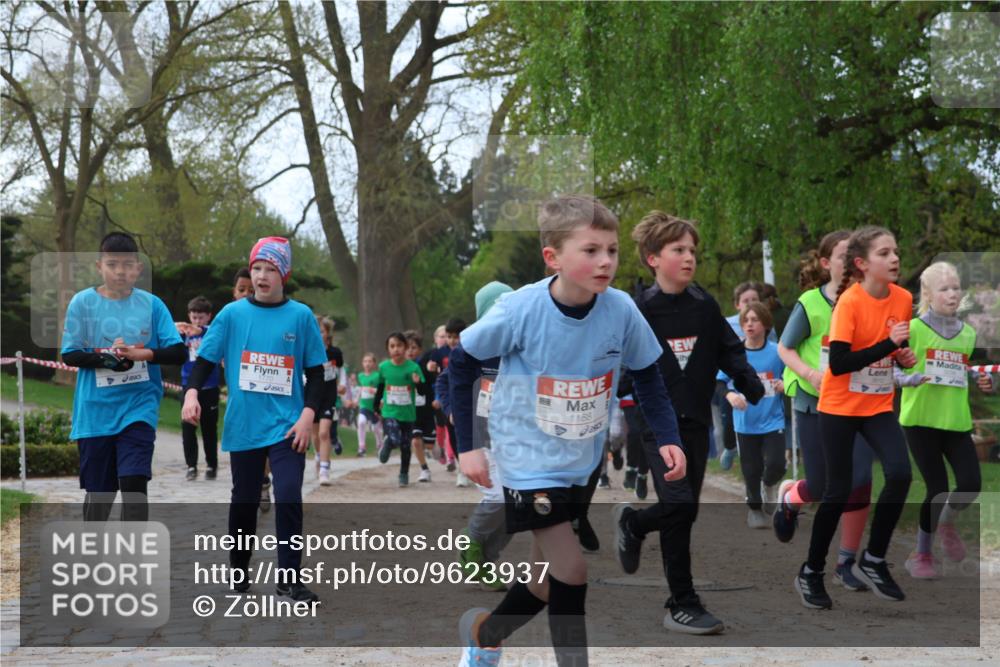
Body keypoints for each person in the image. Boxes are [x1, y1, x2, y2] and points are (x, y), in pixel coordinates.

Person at [452, 195, 683, 666]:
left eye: (612, 251)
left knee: (544, 577)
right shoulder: (519, 310)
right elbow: (461, 366)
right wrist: (468, 447)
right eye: (591, 250)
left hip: (579, 462)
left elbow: (648, 377)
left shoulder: (620, 310)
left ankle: (484, 634)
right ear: (553, 258)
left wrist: (668, 438)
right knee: (573, 569)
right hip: (524, 461)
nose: (605, 262)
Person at [614, 210, 764, 635]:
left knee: (686, 510)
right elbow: (620, 359)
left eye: (692, 250)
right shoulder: (637, 309)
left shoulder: (704, 306)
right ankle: (682, 602)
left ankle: (635, 523)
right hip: (658, 426)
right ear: (652, 258)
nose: (688, 257)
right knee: (679, 505)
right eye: (678, 250)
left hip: (696, 421)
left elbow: (728, 350)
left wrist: (748, 381)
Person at [182, 236, 326, 603]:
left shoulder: (301, 316)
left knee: (290, 493)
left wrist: (308, 416)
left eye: (270, 269)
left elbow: (318, 374)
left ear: (284, 274)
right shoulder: (232, 315)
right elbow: (204, 361)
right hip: (245, 423)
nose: (262, 276)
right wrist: (192, 392)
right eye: (257, 268)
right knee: (244, 499)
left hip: (288, 424)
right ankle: (240, 571)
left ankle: (289, 579)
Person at [791, 226, 916, 610]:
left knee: (899, 474)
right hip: (839, 408)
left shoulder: (904, 297)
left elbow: (897, 345)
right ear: (862, 264)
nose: (894, 258)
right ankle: (811, 571)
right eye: (884, 253)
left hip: (877, 406)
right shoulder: (848, 303)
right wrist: (889, 345)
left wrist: (902, 355)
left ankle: (874, 559)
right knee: (837, 491)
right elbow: (841, 363)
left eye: (895, 250)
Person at [773, 230, 874, 591]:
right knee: (822, 485)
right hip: (813, 403)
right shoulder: (810, 303)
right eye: (844, 255)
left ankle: (846, 562)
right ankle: (791, 496)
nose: (851, 262)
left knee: (860, 478)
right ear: (826, 263)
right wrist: (810, 373)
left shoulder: (868, 301)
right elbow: (785, 349)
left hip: (859, 403)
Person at [62, 232, 186, 521]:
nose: (120, 271)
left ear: (138, 269)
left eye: (127, 265)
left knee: (134, 488)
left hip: (138, 410)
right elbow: (70, 354)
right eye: (112, 264)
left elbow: (178, 352)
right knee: (99, 499)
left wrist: (145, 354)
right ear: (99, 266)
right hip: (95, 415)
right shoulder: (83, 303)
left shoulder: (153, 305)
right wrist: (109, 359)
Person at [897, 261, 991, 578]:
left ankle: (946, 521)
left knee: (970, 485)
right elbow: (890, 368)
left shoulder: (968, 334)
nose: (952, 294)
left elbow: (966, 371)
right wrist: (906, 379)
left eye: (956, 288)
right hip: (920, 421)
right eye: (944, 288)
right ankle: (921, 554)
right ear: (928, 293)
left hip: (955, 422)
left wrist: (983, 380)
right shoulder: (913, 329)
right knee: (936, 487)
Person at [449, 281, 514, 592]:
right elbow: (449, 383)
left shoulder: (521, 345)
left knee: (520, 504)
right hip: (481, 435)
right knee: (499, 495)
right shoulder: (474, 348)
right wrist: (451, 409)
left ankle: (487, 559)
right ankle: (471, 539)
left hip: (515, 436)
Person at [719, 302, 787, 529]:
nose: (749, 324)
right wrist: (730, 396)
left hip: (773, 419)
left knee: (777, 463)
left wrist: (785, 384)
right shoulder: (735, 354)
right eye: (745, 320)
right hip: (745, 422)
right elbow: (719, 382)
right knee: (751, 470)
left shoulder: (777, 352)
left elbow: (792, 375)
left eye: (754, 320)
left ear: (766, 324)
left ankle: (769, 485)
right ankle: (755, 510)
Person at [373, 332, 424, 487]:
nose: (396, 349)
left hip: (407, 414)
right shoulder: (384, 367)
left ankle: (404, 474)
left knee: (405, 446)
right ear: (388, 349)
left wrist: (418, 383)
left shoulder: (413, 367)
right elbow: (380, 387)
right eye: (392, 346)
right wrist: (376, 405)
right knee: (395, 438)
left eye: (399, 346)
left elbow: (422, 391)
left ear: (405, 347)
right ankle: (388, 444)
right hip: (389, 411)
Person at [178, 296, 220, 481]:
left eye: (201, 317)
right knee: (188, 428)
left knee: (209, 429)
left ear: (209, 317)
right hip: (187, 386)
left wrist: (201, 328)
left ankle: (212, 465)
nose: (196, 321)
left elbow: (209, 330)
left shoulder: (211, 332)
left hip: (209, 388)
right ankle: (191, 466)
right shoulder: (184, 333)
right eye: (194, 317)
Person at [313, 316, 344, 485]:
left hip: (329, 396)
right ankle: (318, 456)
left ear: (328, 333)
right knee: (315, 434)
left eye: (322, 331)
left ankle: (325, 469)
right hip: (311, 397)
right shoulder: (307, 351)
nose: (319, 334)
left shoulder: (335, 353)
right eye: (316, 330)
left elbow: (341, 370)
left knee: (324, 432)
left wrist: (342, 384)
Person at [405, 330, 435, 482]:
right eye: (407, 347)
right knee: (415, 440)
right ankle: (425, 469)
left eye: (413, 348)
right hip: (411, 411)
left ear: (420, 350)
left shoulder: (424, 366)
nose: (410, 351)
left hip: (427, 410)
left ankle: (444, 455)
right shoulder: (400, 368)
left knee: (430, 445)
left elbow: (430, 386)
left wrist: (419, 382)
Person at [354, 353, 382, 456]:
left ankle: (380, 446)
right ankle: (362, 448)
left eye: (370, 361)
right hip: (364, 405)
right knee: (361, 422)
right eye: (365, 361)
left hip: (374, 406)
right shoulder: (360, 376)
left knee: (376, 428)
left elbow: (381, 390)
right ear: (362, 364)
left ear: (374, 364)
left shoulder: (377, 376)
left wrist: (373, 390)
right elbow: (360, 389)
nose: (367, 364)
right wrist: (356, 400)